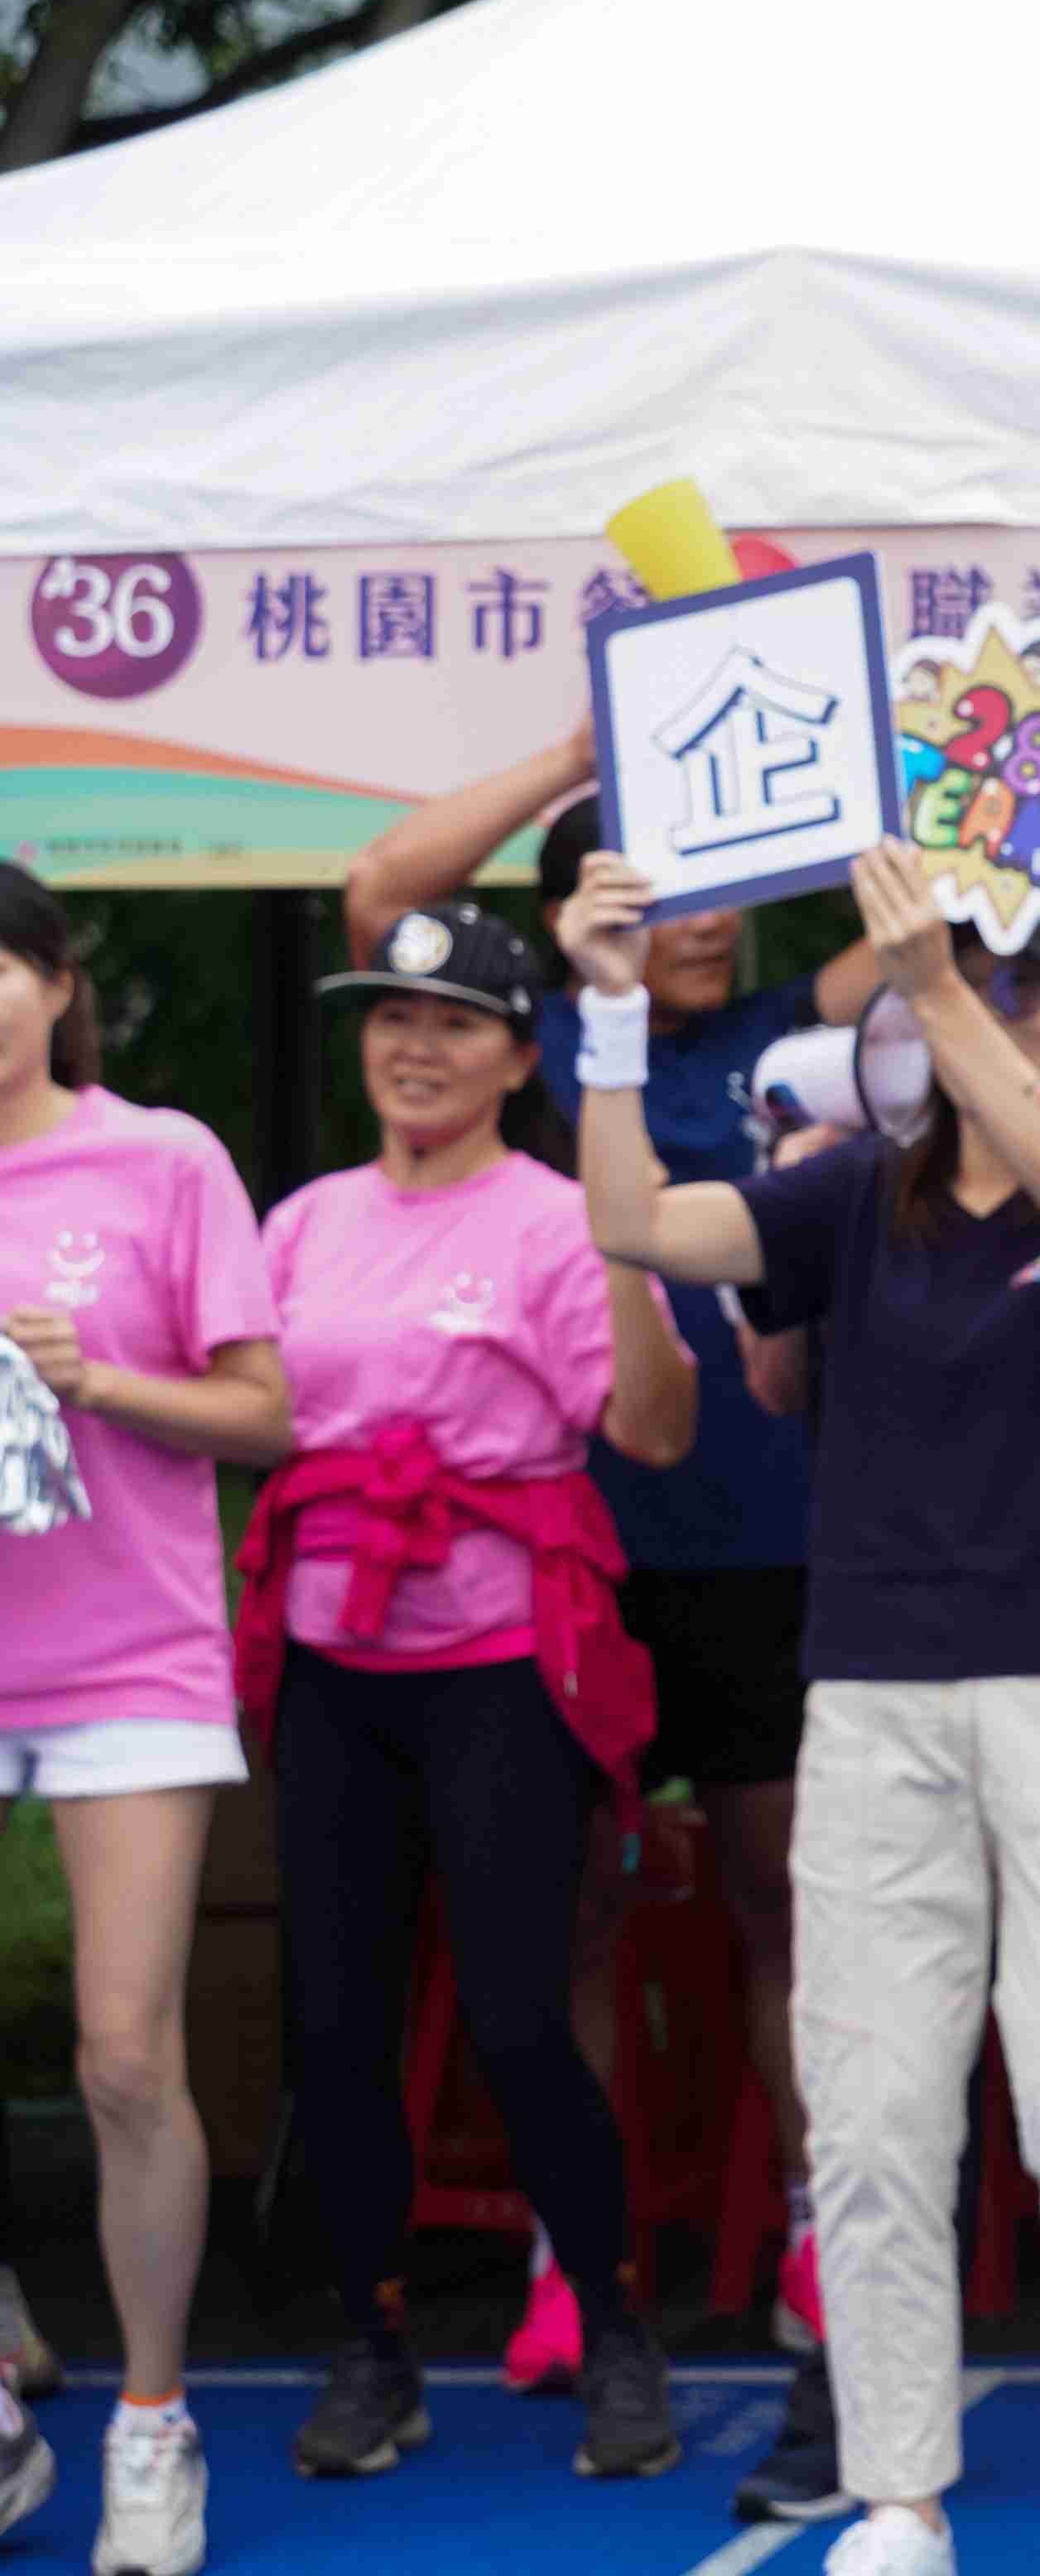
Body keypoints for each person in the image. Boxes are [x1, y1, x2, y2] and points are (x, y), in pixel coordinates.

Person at [567, 844, 1040, 2576]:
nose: (982, 1006)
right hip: (874, 1701)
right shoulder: (853, 1191)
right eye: (960, 980)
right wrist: (612, 1017)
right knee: (870, 2120)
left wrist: (930, 983)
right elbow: (638, 1225)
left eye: (1022, 986)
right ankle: (898, 2496)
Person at [349, 729, 879, 2391]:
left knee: (786, 1896)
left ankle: (820, 2233)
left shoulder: (803, 1036)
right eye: (657, 891)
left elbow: (948, 914)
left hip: (772, 1542)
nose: (698, 920)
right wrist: (579, 752)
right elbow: (381, 894)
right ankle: (577, 2258)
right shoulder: (539, 1039)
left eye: (719, 885)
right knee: (562, 1915)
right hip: (564, 1555)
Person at [234, 899, 697, 2489]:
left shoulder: (562, 1218)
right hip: (332, 1656)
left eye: (452, 1022)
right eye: (390, 1017)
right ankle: (373, 2346)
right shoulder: (302, 1223)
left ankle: (614, 2322)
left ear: (517, 1055)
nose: (414, 1046)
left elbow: (652, 1432)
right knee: (333, 2018)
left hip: (500, 1659)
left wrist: (631, 1262)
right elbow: (248, 1409)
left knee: (516, 2011)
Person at [0, 864, 294, 2574]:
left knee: (123, 2051)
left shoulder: (162, 1158)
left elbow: (266, 1412)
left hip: (128, 1656)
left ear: (55, 982)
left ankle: (153, 2419)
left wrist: (95, 1377)